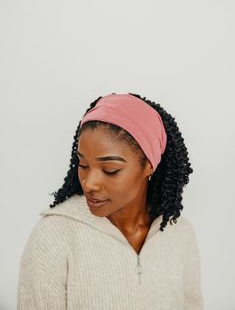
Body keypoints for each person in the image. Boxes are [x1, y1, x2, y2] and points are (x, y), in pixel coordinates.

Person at [17, 92, 204, 310]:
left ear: (149, 166)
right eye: (83, 165)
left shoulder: (180, 233)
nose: (89, 184)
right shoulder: (54, 235)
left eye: (110, 170)